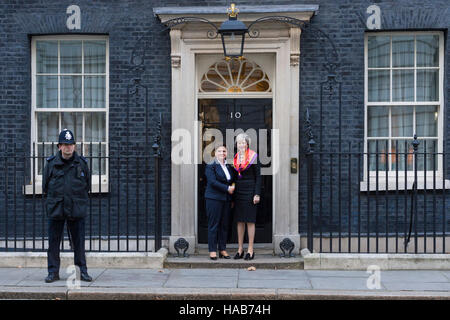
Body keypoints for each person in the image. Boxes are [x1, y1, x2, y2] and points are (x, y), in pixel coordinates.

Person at [43, 129, 92, 283]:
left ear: (74, 146)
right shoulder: (51, 164)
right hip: (56, 208)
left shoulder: (82, 164)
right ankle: (53, 272)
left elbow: (87, 186)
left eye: (70, 144)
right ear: (59, 146)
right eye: (65, 144)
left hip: (76, 208)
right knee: (53, 243)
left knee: (79, 243)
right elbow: (45, 187)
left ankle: (81, 272)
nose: (68, 147)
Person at [232, 133, 261, 260]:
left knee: (250, 220)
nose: (241, 145)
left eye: (243, 142)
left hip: (250, 191)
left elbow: (258, 177)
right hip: (238, 191)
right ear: (236, 145)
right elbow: (233, 176)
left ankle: (250, 249)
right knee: (239, 220)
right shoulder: (235, 158)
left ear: (247, 144)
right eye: (239, 143)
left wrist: (257, 193)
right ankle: (240, 249)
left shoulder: (253, 156)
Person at [204, 144, 235, 260]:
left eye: (224, 151)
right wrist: (227, 188)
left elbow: (231, 180)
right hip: (214, 199)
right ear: (215, 153)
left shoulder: (228, 166)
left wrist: (232, 188)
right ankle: (212, 250)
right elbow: (212, 182)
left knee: (224, 225)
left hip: (226, 200)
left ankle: (222, 249)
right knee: (214, 225)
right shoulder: (211, 166)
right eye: (219, 151)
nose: (222, 153)